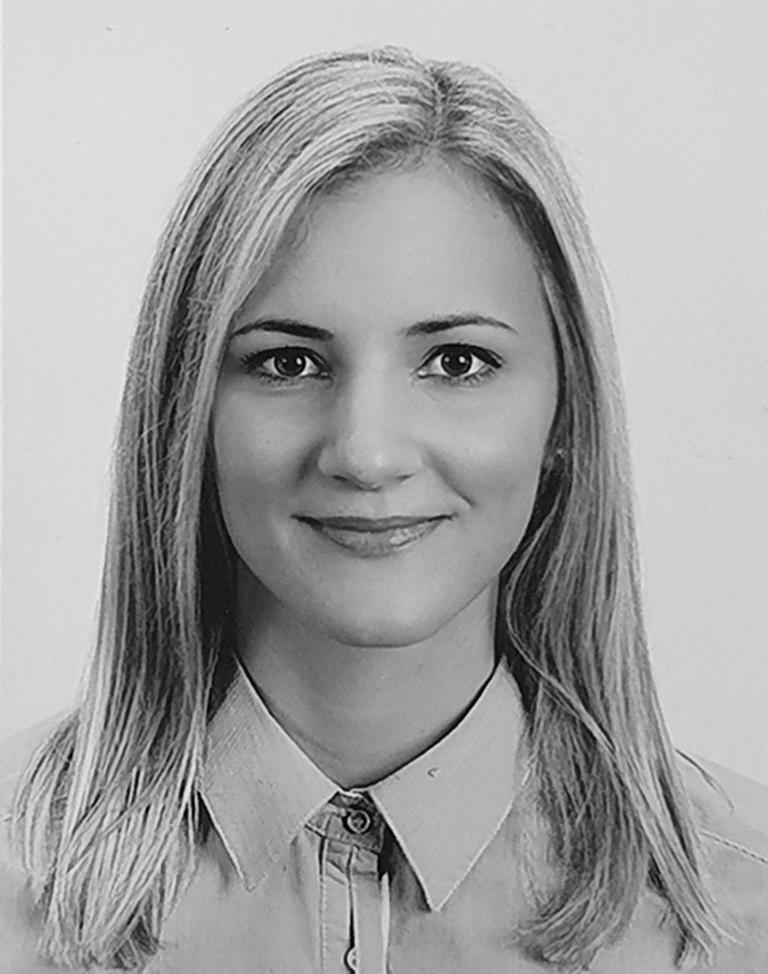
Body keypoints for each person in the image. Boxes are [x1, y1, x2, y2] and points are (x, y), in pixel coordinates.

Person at [1, 46, 766, 974]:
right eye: (288, 362)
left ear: (567, 416)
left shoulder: (745, 912)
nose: (366, 454)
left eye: (456, 362)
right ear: (186, 411)